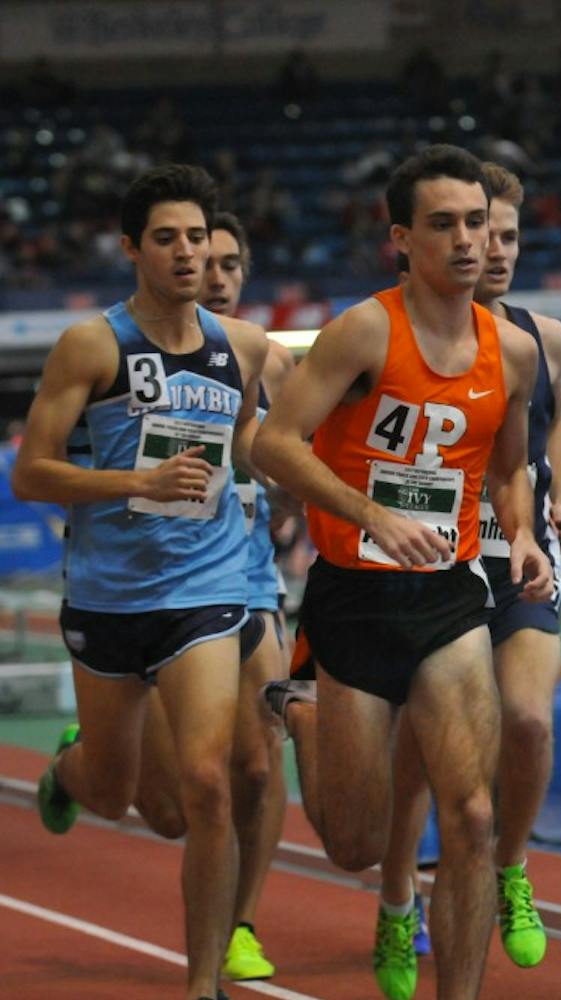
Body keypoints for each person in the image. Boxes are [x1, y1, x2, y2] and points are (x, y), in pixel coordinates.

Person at [253, 144, 552, 1000]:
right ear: (402, 238)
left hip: (451, 595)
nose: (467, 241)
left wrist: (522, 535)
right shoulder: (364, 330)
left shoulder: (515, 353)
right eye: (444, 225)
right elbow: (277, 443)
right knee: (355, 842)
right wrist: (372, 513)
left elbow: (506, 467)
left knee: (472, 816)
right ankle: (304, 713)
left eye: (478, 223)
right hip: (354, 594)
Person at [14, 163, 269, 1000]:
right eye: (167, 239)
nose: (188, 253)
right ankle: (69, 770)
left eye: (197, 237)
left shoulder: (244, 346)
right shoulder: (92, 344)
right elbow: (32, 474)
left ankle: (203, 985)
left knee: (207, 782)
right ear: (132, 249)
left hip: (207, 589)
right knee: (116, 793)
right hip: (107, 596)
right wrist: (134, 484)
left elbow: (254, 447)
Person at [373, 161, 561, 991]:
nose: (493, 250)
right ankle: (398, 897)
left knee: (528, 723)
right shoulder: (405, 332)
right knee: (424, 755)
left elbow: (552, 421)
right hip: (433, 562)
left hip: (518, 555)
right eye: (478, 232)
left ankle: (511, 868)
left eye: (507, 235)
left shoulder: (545, 340)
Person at [128, 212, 296, 984]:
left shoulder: (270, 359)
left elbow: (298, 463)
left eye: (232, 262)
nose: (219, 273)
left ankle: (241, 925)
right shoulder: (143, 354)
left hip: (250, 577)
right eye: (208, 258)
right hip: (158, 583)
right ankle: (81, 762)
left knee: (258, 766)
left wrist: (290, 497)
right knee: (166, 809)